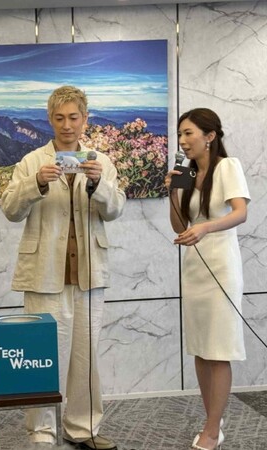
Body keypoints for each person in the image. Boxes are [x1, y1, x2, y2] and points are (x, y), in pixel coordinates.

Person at [0, 86, 125, 449]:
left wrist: (99, 183)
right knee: (41, 356)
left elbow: (115, 209)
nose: (67, 125)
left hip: (90, 274)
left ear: (85, 119)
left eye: (73, 117)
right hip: (43, 273)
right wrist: (36, 182)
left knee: (86, 357)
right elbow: (10, 210)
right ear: (49, 120)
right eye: (59, 118)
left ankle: (83, 428)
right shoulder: (31, 161)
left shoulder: (101, 162)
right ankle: (42, 432)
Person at [165, 108, 249, 450]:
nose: (183, 141)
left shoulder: (227, 167)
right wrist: (172, 192)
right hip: (194, 269)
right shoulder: (187, 173)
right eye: (180, 135)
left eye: (189, 133)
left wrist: (205, 228)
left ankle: (212, 430)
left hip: (221, 266)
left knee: (218, 349)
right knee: (201, 348)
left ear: (210, 136)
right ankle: (213, 419)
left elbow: (241, 212)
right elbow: (179, 226)